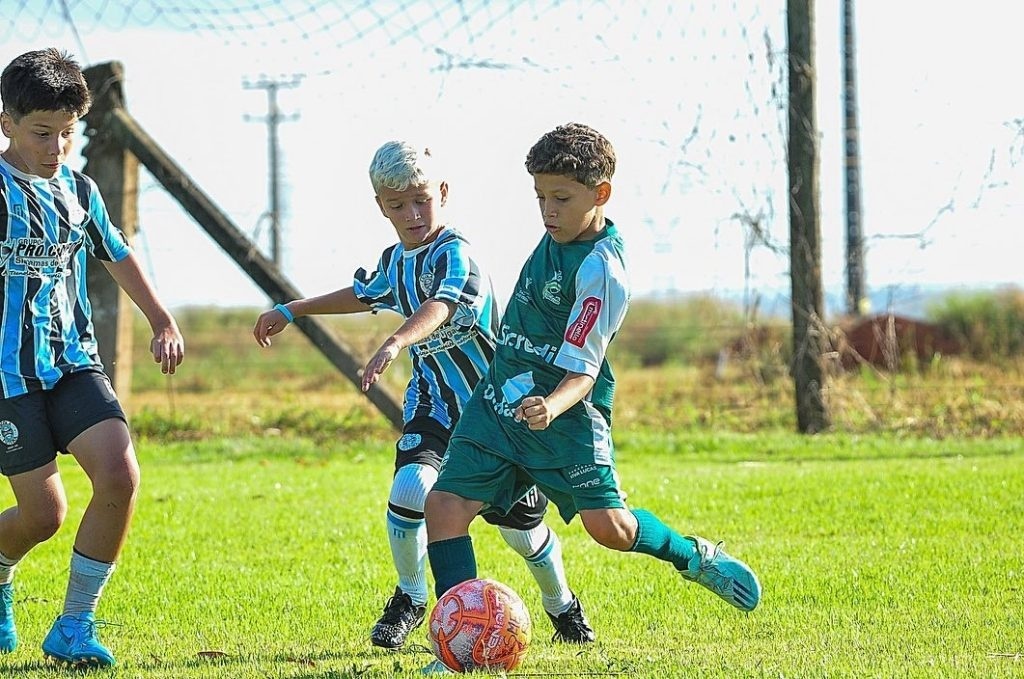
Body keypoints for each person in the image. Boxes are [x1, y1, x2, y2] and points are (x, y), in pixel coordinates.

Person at [423, 123, 761, 667]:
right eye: (540, 197)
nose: (548, 211)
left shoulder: (603, 272)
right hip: (501, 403)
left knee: (611, 529)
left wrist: (551, 406)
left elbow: (585, 370)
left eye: (561, 198)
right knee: (443, 506)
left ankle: (692, 556)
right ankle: (456, 650)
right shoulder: (560, 234)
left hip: (566, 416)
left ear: (600, 194)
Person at [252, 140, 595, 650]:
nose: (412, 214)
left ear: (443, 193)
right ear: (381, 206)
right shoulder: (395, 262)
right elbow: (363, 293)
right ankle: (412, 598)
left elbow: (441, 304)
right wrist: (292, 309)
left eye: (421, 200)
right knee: (411, 488)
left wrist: (396, 341)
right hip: (433, 404)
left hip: (494, 413)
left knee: (522, 532)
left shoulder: (456, 252)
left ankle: (562, 605)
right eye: (398, 205)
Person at [0, 48, 185, 667]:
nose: (56, 147)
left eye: (67, 133)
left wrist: (160, 318)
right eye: (41, 133)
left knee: (120, 475)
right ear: (6, 123)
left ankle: (75, 624)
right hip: (8, 379)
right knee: (44, 515)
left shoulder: (80, 190)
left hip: (74, 364)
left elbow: (116, 253)